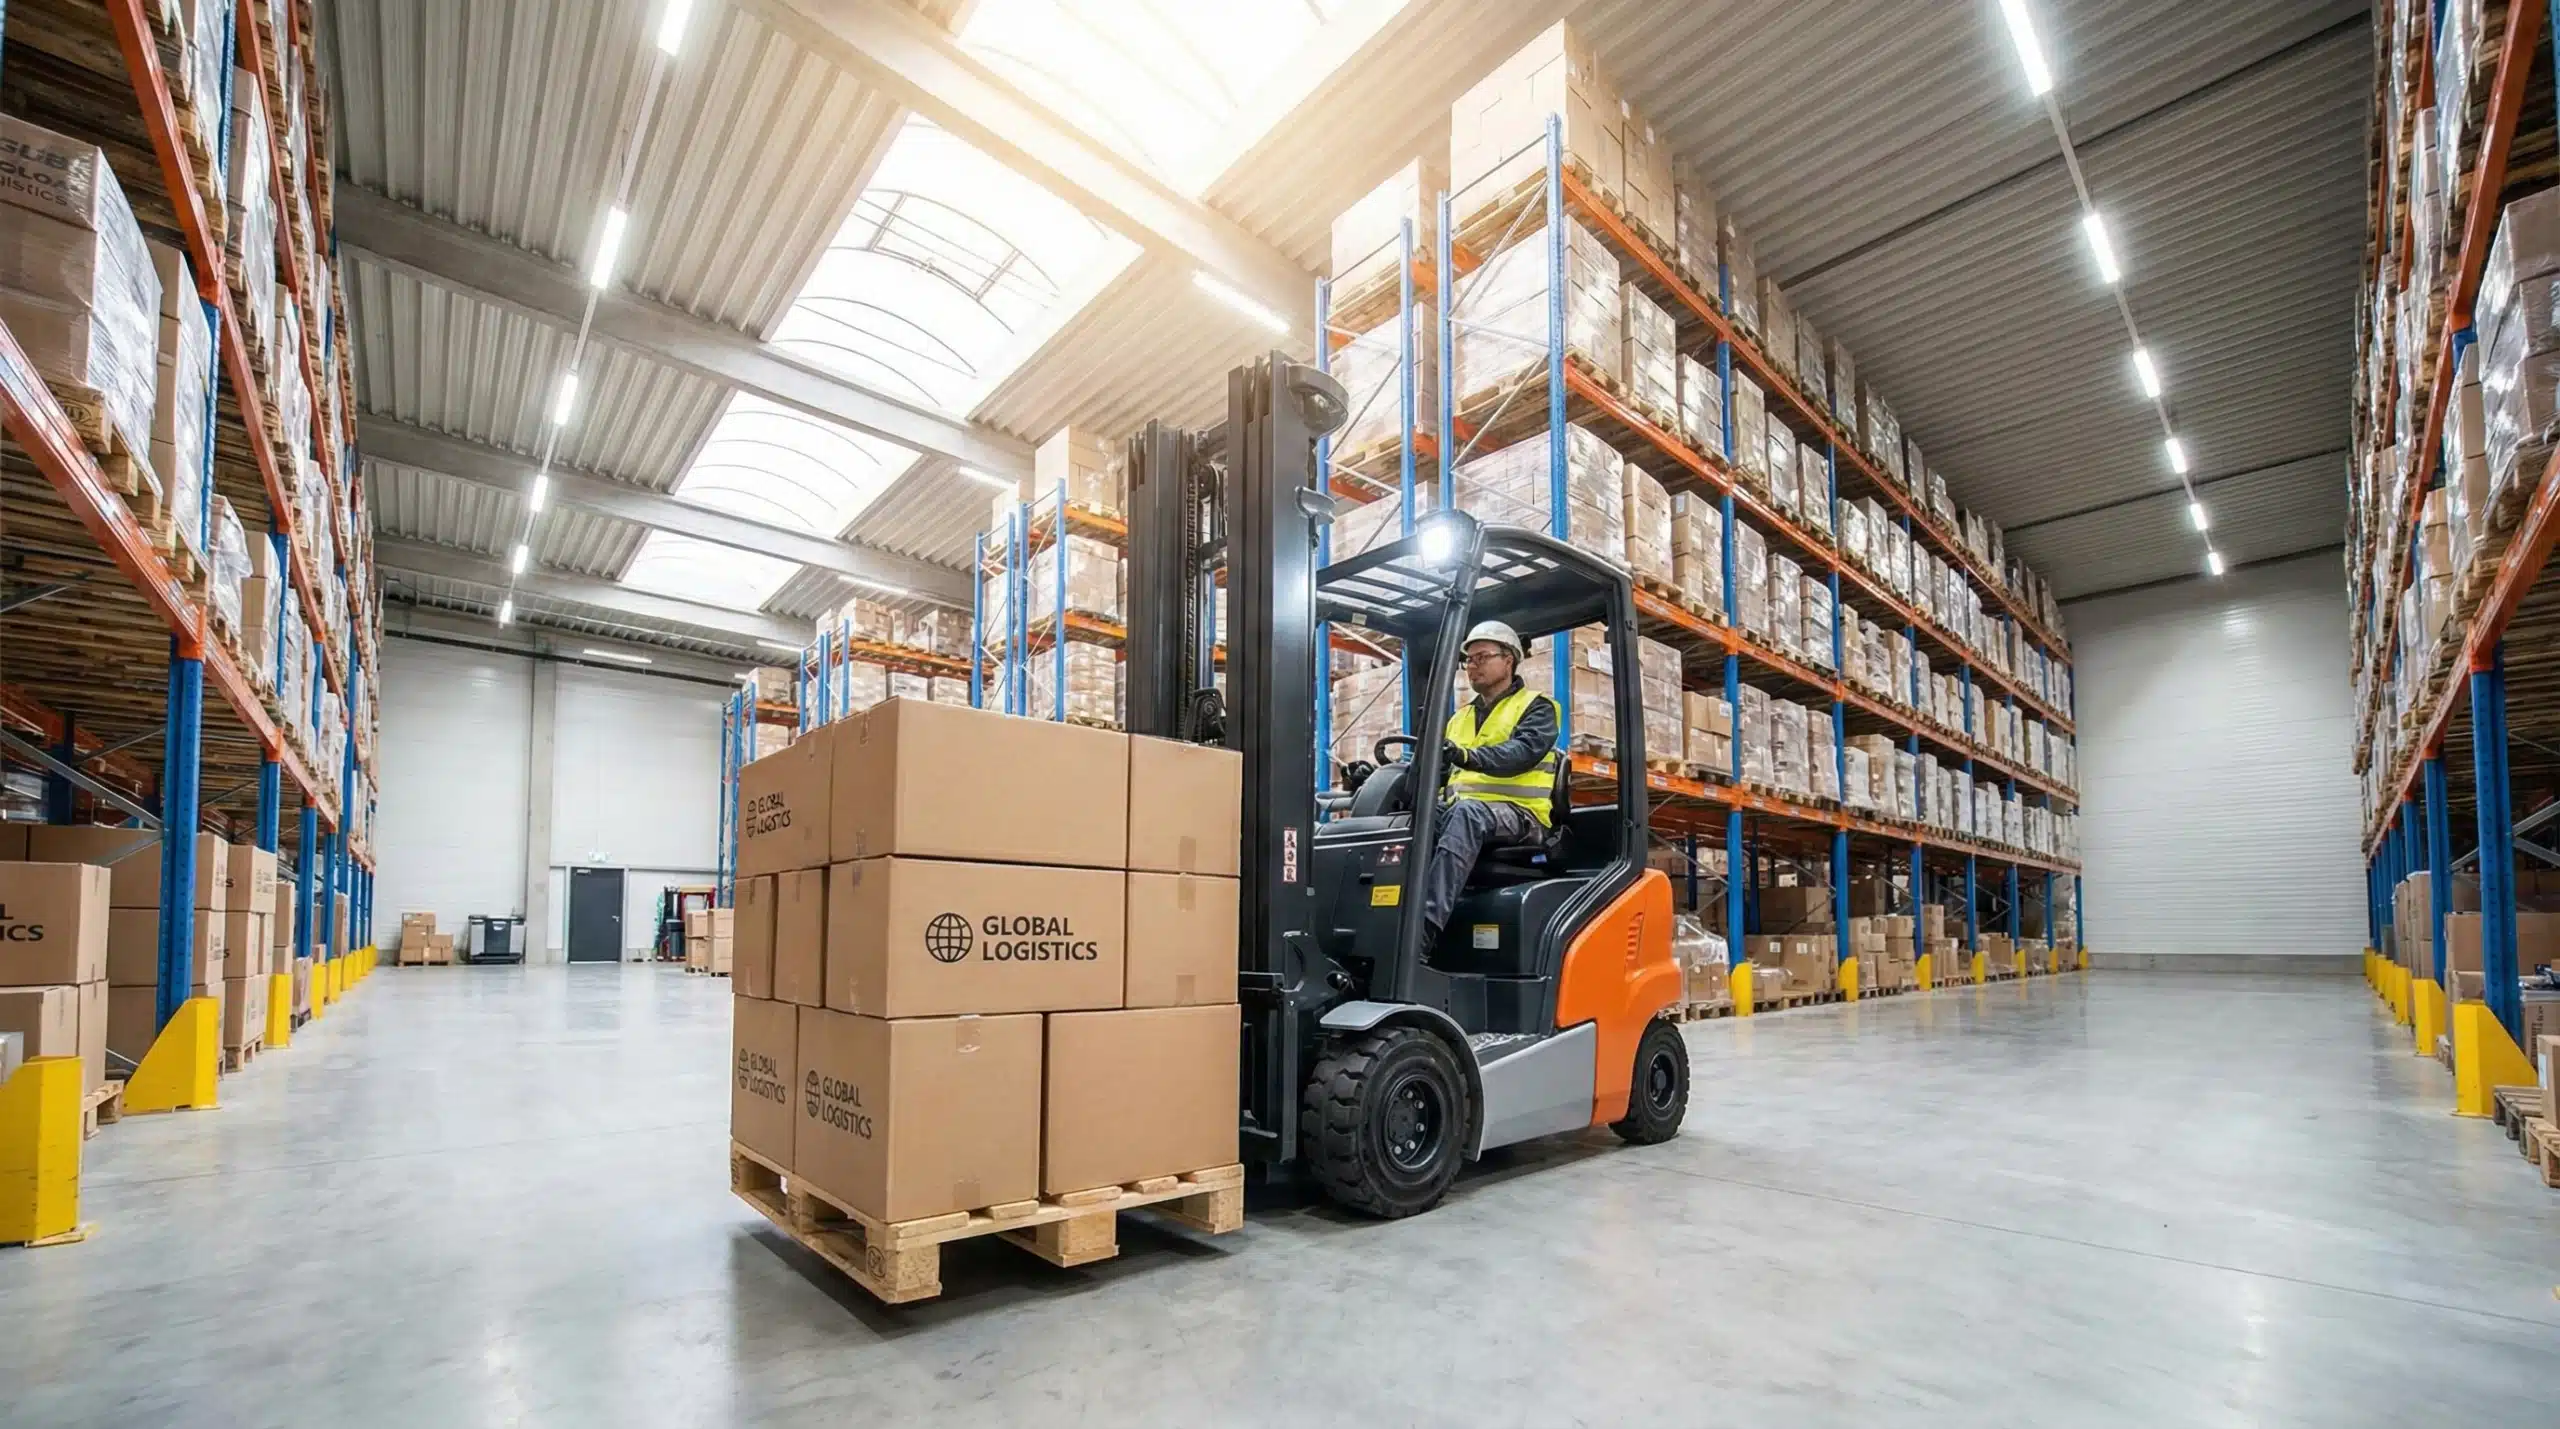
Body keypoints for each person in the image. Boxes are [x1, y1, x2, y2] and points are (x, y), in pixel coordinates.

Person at [1416, 620, 1562, 949]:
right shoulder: (1459, 717)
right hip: (1465, 816)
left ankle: (1421, 934)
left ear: (1508, 659)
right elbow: (1438, 772)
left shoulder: (1538, 708)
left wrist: (1467, 756)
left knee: (1467, 814)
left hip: (1524, 818)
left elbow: (1520, 753)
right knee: (1409, 820)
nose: (1473, 667)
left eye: (1482, 657)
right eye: (1469, 660)